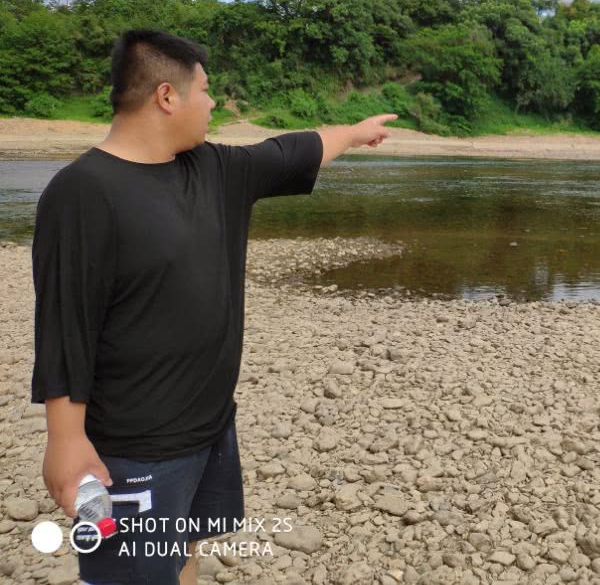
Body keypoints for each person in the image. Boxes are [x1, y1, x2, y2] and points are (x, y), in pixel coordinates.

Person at [31, 29, 397, 584]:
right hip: (131, 450)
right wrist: (66, 439)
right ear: (166, 96)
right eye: (205, 91)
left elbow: (292, 149)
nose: (214, 104)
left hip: (209, 426)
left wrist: (354, 131)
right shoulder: (82, 192)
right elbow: (64, 324)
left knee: (183, 556)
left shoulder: (212, 169)